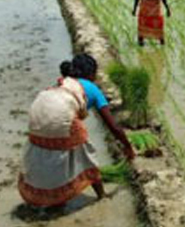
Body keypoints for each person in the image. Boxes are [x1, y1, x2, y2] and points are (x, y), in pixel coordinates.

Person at [18, 54, 134, 207]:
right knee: (86, 155)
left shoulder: (64, 83)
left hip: (37, 114)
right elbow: (113, 126)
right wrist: (128, 146)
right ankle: (101, 196)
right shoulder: (92, 88)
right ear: (91, 74)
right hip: (59, 118)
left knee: (49, 157)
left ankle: (50, 199)